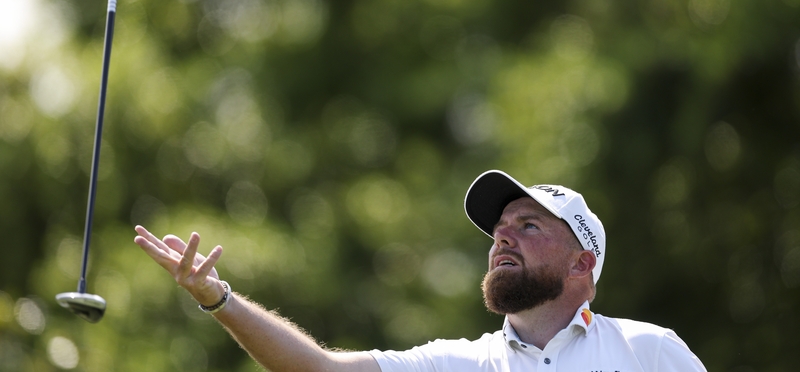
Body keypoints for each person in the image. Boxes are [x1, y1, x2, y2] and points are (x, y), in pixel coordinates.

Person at [134, 169, 707, 371]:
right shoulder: (457, 363)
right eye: (500, 227)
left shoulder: (649, 352)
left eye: (530, 226)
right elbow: (320, 371)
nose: (502, 235)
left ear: (582, 262)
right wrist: (218, 298)